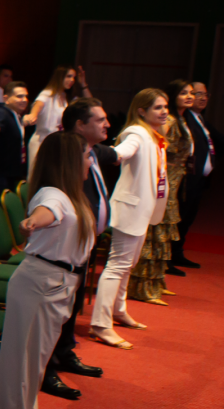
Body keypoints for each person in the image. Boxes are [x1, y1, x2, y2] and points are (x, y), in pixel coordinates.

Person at [0, 132, 98, 409]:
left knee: (35, 364)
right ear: (69, 161)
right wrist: (32, 221)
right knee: (19, 366)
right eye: (86, 156)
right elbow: (46, 213)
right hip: (39, 284)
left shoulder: (71, 195)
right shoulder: (53, 195)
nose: (90, 162)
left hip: (56, 284)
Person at [44, 97, 116, 398]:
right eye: (99, 120)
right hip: (65, 248)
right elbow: (49, 202)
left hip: (85, 243)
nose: (107, 124)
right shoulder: (66, 157)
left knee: (71, 307)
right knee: (56, 311)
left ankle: (64, 353)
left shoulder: (94, 151)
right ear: (79, 125)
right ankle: (46, 368)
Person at [88, 88, 170, 350]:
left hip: (141, 209)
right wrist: (113, 153)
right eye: (158, 107)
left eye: (165, 106)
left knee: (128, 264)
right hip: (130, 209)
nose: (164, 111)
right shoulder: (136, 132)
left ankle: (118, 310)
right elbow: (123, 151)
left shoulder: (153, 135)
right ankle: (100, 324)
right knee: (117, 266)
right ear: (141, 111)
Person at [128, 83, 190, 306]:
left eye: (192, 92)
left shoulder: (181, 120)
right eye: (184, 93)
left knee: (162, 234)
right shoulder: (165, 123)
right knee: (154, 233)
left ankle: (155, 280)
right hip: (162, 181)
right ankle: (142, 286)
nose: (190, 96)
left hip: (172, 181)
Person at [173, 80, 214, 270]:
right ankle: (169, 256)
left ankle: (176, 253)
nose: (202, 98)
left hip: (197, 179)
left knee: (188, 217)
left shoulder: (199, 118)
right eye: (198, 94)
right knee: (179, 217)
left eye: (205, 94)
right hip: (183, 178)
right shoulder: (182, 117)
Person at [0, 80, 30, 197]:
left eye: (25, 96)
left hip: (12, 173)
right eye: (19, 96)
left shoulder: (15, 115)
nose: (24, 100)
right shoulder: (2, 114)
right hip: (1, 175)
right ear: (6, 99)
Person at [25, 66, 76, 166]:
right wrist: (32, 115)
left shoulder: (64, 96)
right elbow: (38, 105)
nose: (72, 80)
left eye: (73, 77)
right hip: (42, 141)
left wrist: (83, 84)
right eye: (68, 76)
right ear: (59, 77)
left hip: (57, 142)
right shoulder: (47, 94)